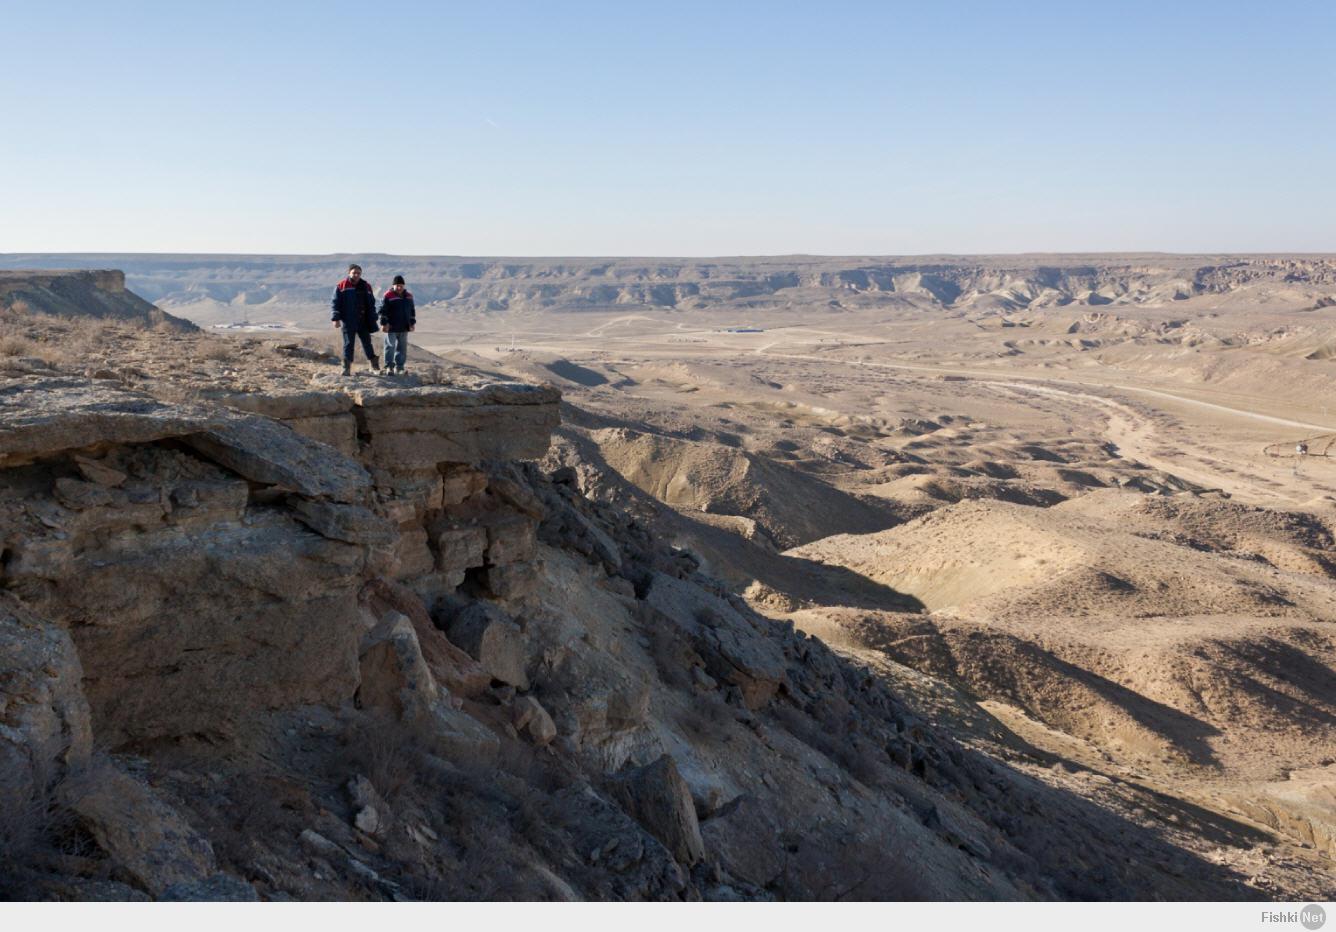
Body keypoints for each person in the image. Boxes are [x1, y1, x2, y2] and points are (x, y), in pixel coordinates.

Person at [330, 263, 381, 375]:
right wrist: (335, 318)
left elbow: (371, 303)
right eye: (354, 273)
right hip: (349, 320)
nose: (356, 275)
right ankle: (346, 368)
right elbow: (335, 303)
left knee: (367, 343)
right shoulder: (342, 286)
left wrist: (373, 317)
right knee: (348, 344)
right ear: (349, 273)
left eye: (358, 273)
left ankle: (374, 365)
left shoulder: (366, 286)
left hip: (363, 320)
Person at [378, 274, 416, 375]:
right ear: (393, 285)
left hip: (404, 326)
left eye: (401, 285)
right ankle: (389, 367)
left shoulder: (409, 296)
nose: (399, 287)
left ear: (404, 286)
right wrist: (384, 323)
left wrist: (412, 323)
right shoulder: (388, 295)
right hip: (391, 326)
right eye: (397, 285)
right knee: (390, 346)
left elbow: (412, 311)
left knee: (402, 348)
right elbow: (382, 311)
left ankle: (400, 367)